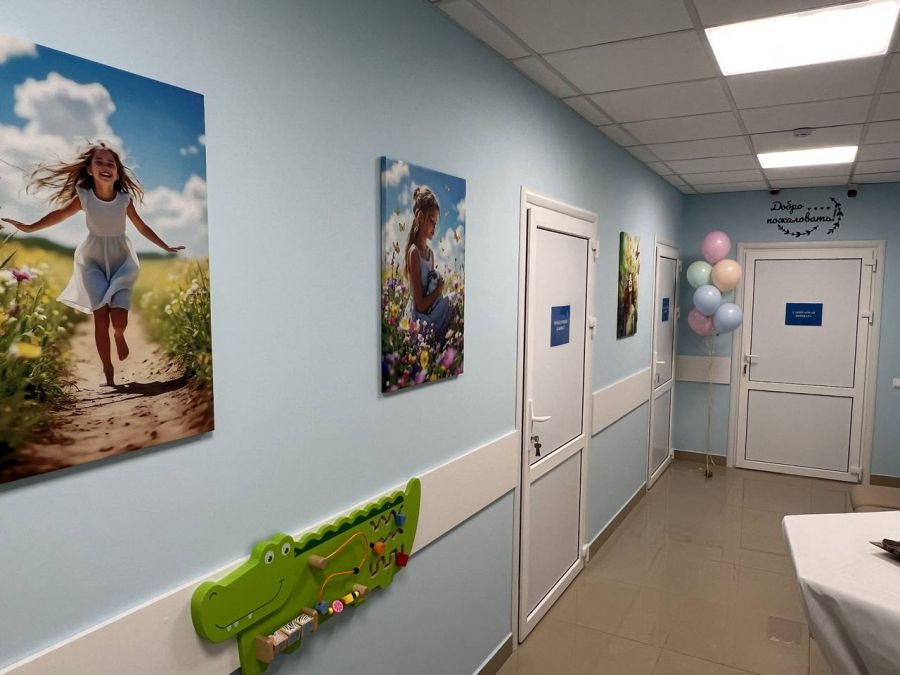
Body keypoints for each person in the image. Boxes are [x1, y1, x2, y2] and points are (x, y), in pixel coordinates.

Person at [2, 141, 184, 386]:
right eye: (99, 162)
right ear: (89, 169)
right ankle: (108, 370)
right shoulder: (84, 196)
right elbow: (60, 214)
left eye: (111, 163)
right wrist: (30, 228)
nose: (105, 166)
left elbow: (142, 227)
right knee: (100, 315)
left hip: (121, 263)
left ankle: (119, 334)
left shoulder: (124, 199)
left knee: (118, 320)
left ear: (117, 173)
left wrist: (165, 246)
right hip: (91, 262)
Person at [404, 186, 451, 341]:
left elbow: (429, 292)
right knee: (450, 303)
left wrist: (437, 286)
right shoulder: (414, 253)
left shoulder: (430, 254)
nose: (434, 227)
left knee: (453, 300)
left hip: (429, 312)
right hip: (418, 319)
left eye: (436, 223)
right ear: (420, 217)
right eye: (431, 221)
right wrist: (438, 291)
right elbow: (420, 305)